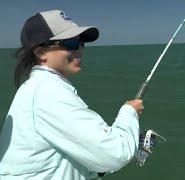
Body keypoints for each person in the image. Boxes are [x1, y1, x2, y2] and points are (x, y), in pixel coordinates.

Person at [0, 10, 143, 179]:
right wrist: (129, 113)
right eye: (71, 43)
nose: (80, 49)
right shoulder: (49, 91)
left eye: (81, 43)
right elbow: (115, 153)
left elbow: (56, 159)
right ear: (41, 52)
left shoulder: (35, 87)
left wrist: (96, 168)